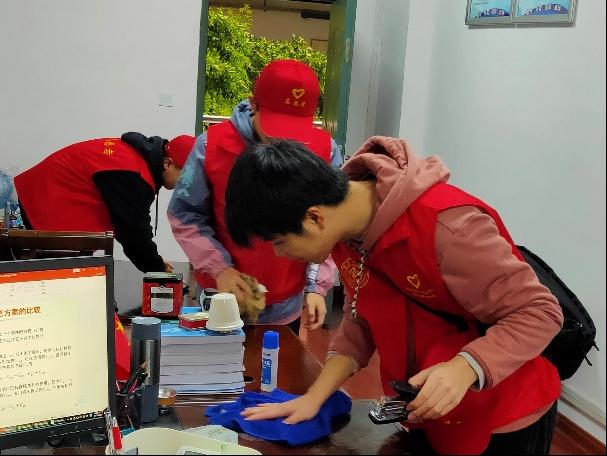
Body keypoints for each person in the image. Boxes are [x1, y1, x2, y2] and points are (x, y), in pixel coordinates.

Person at [223, 138, 564, 455]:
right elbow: (360, 318)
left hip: (503, 412)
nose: (280, 255)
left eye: (280, 242)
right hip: (429, 406)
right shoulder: (346, 235)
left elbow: (540, 312)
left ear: (314, 217)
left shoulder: (449, 227)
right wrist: (314, 397)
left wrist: (464, 367)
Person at [168, 59, 342, 332]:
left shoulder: (324, 151)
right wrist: (220, 269)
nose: (282, 142)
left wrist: (317, 286)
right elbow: (184, 213)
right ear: (254, 104)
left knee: (279, 358)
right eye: (276, 129)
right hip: (221, 297)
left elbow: (332, 224)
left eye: (293, 132)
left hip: (287, 300)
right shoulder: (211, 146)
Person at [14, 132, 195, 273]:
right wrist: (157, 268)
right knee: (60, 274)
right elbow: (133, 233)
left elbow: (132, 226)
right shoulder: (132, 173)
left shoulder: (140, 161)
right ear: (167, 163)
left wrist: (154, 261)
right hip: (44, 196)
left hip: (46, 190)